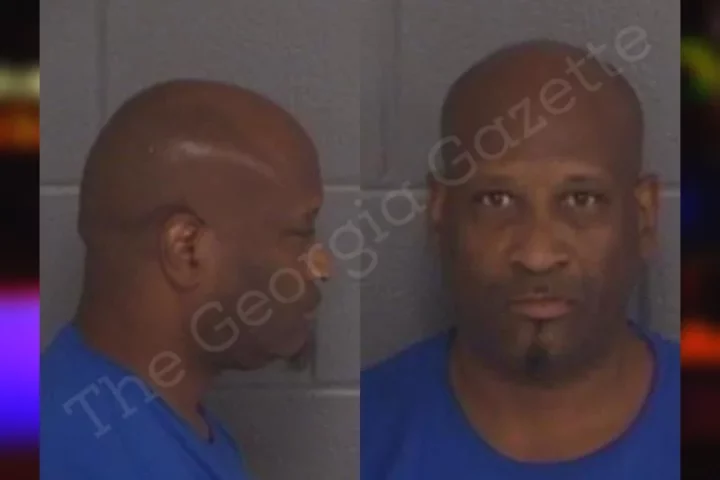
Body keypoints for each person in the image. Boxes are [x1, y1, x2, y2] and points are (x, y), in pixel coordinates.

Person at [361, 40, 679, 479]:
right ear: (440, 213)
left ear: (644, 216)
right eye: (496, 200)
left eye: (582, 200)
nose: (537, 255)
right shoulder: (364, 436)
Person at [41, 79, 331, 479]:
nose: (321, 267)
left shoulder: (159, 424)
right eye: (300, 234)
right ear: (187, 249)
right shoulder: (87, 455)